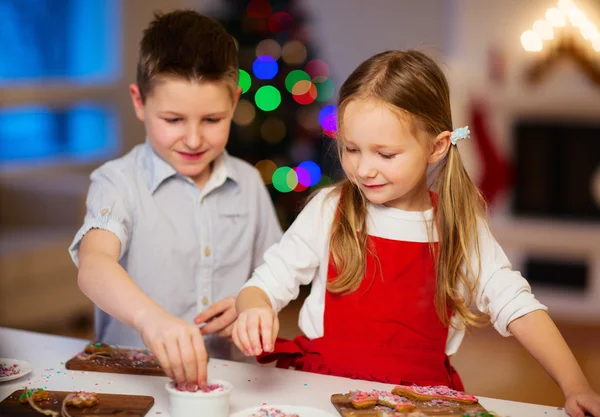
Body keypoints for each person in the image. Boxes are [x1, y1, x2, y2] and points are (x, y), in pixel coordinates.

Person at [232, 50, 600, 417]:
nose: (363, 169)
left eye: (385, 155)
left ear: (436, 147)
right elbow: (266, 283)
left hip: (419, 405)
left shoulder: (459, 223)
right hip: (327, 393)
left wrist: (575, 385)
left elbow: (518, 306)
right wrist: (255, 307)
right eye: (351, 149)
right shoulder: (330, 208)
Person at [68, 10, 282, 390]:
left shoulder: (249, 182)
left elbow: (278, 273)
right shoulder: (117, 181)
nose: (194, 139)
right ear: (139, 101)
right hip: (133, 383)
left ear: (234, 102)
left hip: (229, 383)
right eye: (173, 120)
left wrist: (254, 302)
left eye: (212, 120)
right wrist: (151, 319)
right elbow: (94, 264)